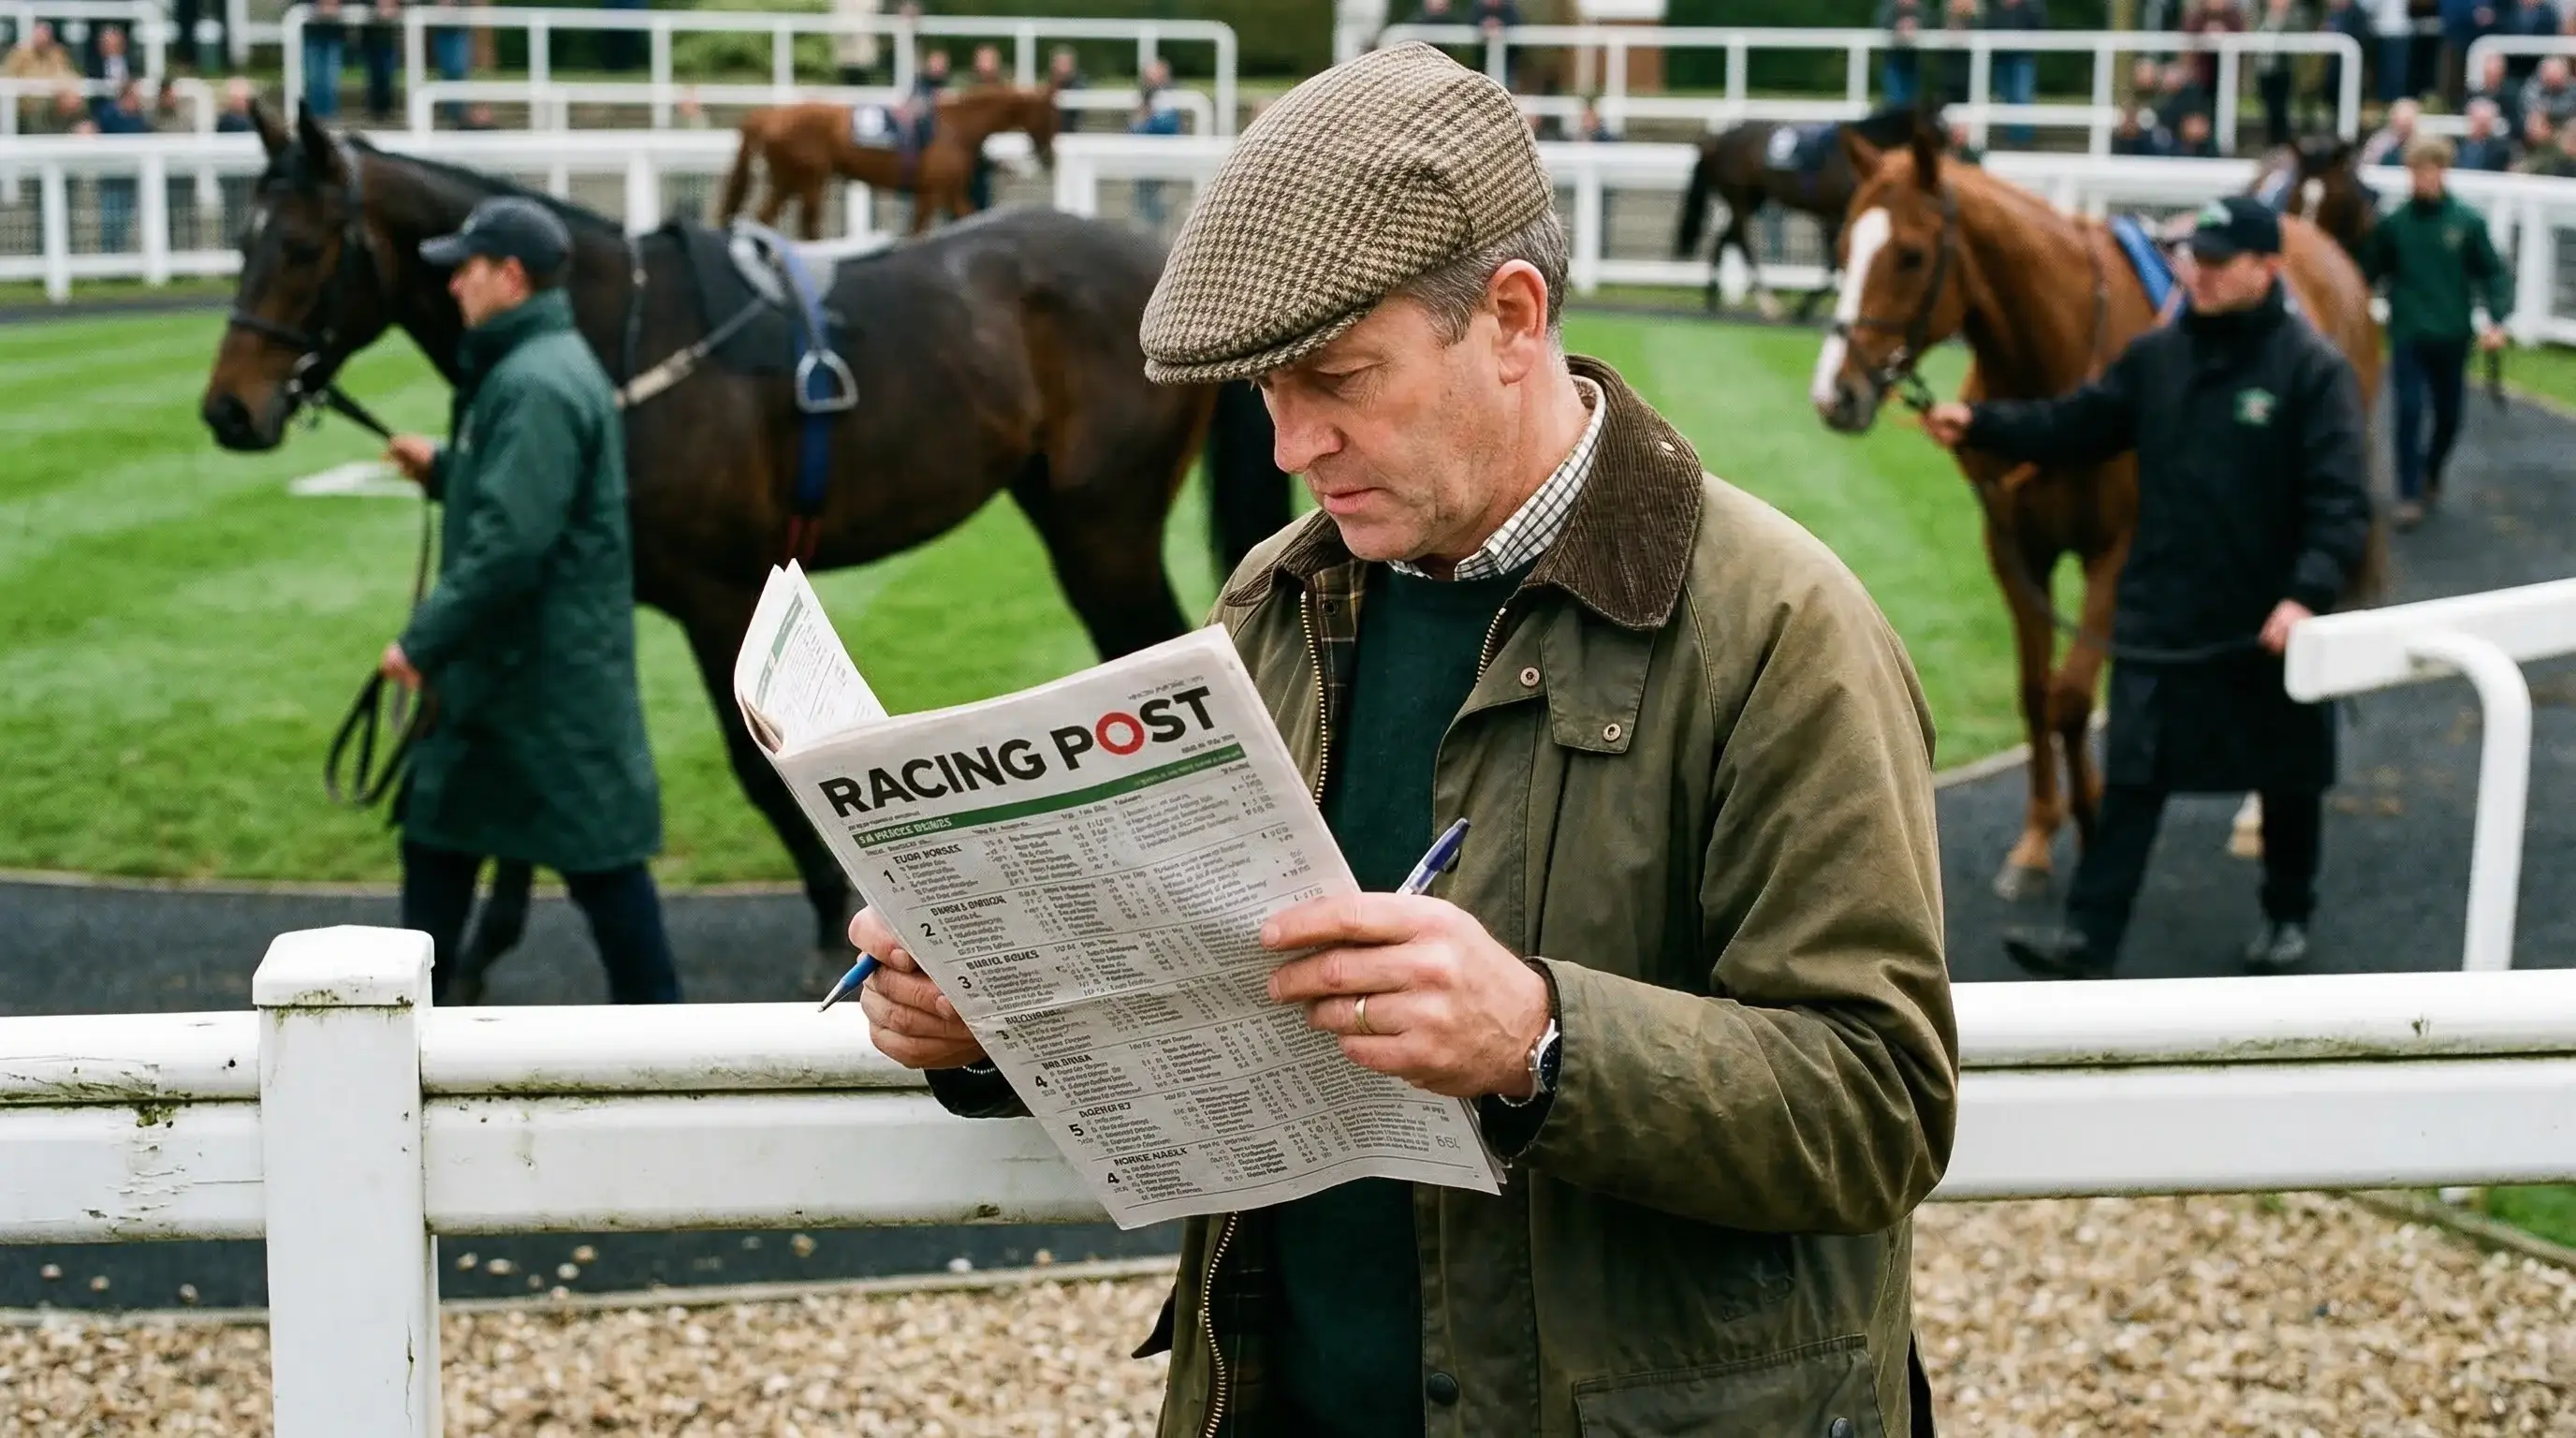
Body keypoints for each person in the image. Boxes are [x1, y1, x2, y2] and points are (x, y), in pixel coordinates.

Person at [854, 41, 1957, 1437]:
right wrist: (986, 1016)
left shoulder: (1783, 628)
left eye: (1339, 378)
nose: (1289, 444)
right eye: (1266, 390)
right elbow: (1201, 1003)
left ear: (1510, 316)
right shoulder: (1275, 598)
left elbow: (1883, 1107)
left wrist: (1540, 1041)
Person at [1922, 197, 2373, 978]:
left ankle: (2287, 912)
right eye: (2195, 256)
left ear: (2267, 269)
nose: (2198, 271)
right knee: (2133, 771)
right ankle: (2089, 937)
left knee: (2286, 770)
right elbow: (2079, 423)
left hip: (2267, 612)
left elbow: (2341, 501)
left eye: (2219, 260)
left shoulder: (2311, 371)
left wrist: (2305, 594)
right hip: (2165, 601)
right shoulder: (2158, 358)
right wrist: (1983, 424)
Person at [378, 197, 681, 1008]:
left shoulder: (533, 381)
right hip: (524, 682)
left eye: (466, 271)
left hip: (536, 685)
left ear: (508, 277)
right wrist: (445, 467)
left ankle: (673, 1046)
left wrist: (419, 644)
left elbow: (513, 545)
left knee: (604, 880)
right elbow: (529, 492)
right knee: (449, 852)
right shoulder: (540, 365)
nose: (453, 288)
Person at [2361, 136, 2513, 526]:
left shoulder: (2466, 222)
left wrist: (2497, 320)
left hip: (2452, 333)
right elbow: (2367, 273)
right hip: (2409, 333)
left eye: (2430, 170)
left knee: (2449, 416)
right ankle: (2408, 494)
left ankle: (2432, 469)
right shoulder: (2394, 225)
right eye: (2416, 171)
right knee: (2407, 413)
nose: (2423, 178)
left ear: (2443, 171)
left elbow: (2493, 273)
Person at [1986, 0, 2046, 146]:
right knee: (2006, 96)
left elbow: (2040, 28)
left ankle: (2022, 140)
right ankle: (2011, 138)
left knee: (2021, 97)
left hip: (2022, 58)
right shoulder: (1997, 9)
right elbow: (1989, 28)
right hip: (2002, 59)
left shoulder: (2031, 7)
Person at [2455, 95, 2515, 168]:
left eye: (2484, 124)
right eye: (2477, 121)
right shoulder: (2457, 145)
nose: (2480, 129)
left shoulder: (2501, 151)